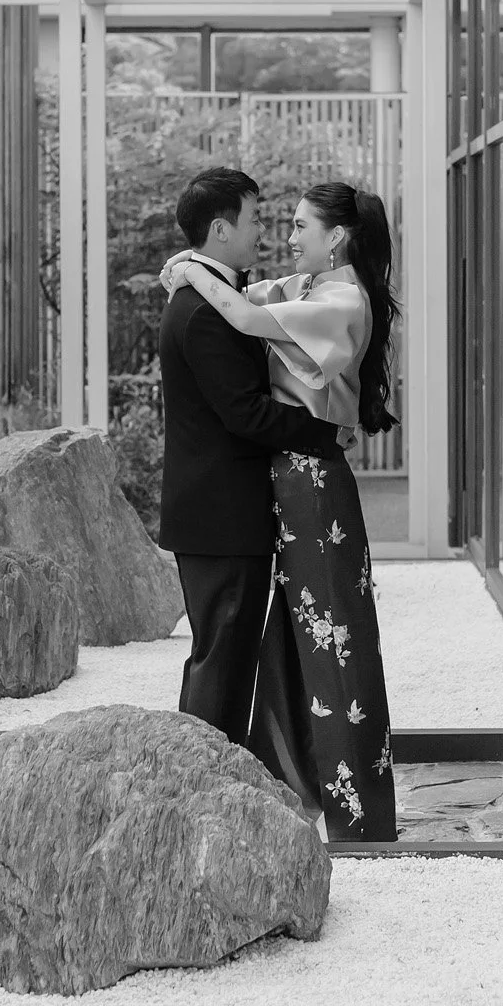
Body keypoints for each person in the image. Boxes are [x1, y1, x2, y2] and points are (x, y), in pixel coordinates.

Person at [162, 182, 400, 843]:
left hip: (314, 481)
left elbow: (238, 316)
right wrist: (195, 272)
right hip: (295, 479)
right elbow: (238, 297)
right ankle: (288, 792)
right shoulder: (312, 288)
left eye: (299, 226)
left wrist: (186, 267)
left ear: (337, 237)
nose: (287, 236)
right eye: (280, 222)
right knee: (297, 648)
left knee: (333, 644)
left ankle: (357, 815)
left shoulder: (342, 299)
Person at [157, 168, 346, 751]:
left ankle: (211, 783)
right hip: (221, 518)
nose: (263, 230)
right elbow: (243, 413)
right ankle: (198, 787)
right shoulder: (204, 310)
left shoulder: (214, 295)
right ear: (219, 229)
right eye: (254, 218)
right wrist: (323, 432)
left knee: (228, 657)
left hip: (222, 515)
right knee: (222, 659)